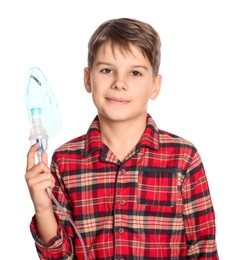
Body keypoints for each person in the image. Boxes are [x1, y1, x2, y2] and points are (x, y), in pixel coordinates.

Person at [25, 18, 219, 259]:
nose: (119, 83)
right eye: (107, 70)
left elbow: (204, 250)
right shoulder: (65, 161)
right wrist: (43, 208)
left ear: (155, 86)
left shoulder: (183, 158)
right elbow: (60, 256)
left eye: (135, 73)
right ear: (88, 79)